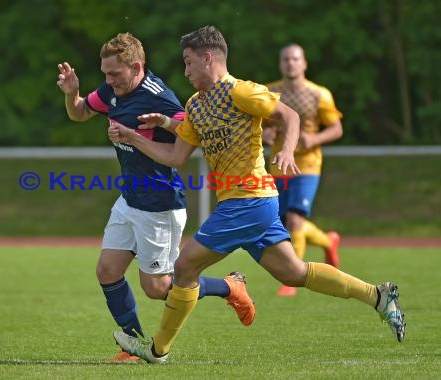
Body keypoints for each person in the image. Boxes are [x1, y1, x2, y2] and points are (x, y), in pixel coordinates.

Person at [110, 25, 406, 364]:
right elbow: (175, 157)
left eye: (189, 63)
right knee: (293, 273)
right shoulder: (195, 106)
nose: (186, 71)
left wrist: (288, 151)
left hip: (248, 200)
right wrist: (135, 137)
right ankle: (379, 296)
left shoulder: (241, 91)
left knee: (184, 267)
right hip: (248, 204)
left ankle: (157, 349)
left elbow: (289, 116)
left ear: (208, 59)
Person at [56, 32, 255, 362]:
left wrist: (144, 132)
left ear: (135, 67)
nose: (108, 81)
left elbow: (192, 133)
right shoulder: (112, 91)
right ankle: (132, 345)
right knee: (107, 270)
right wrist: (72, 93)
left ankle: (230, 286)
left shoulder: (158, 96)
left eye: (114, 74)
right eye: (104, 74)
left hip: (160, 205)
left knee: (158, 288)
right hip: (129, 199)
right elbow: (79, 113)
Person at [263, 44, 344, 297]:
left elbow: (336, 128)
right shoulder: (270, 92)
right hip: (279, 166)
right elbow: (258, 125)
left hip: (308, 166)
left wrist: (314, 139)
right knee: (288, 223)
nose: (290, 63)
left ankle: (291, 278)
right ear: (280, 63)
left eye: (295, 59)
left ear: (304, 63)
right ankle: (328, 241)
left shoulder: (320, 94)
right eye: (286, 59)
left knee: (295, 219)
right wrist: (264, 133)